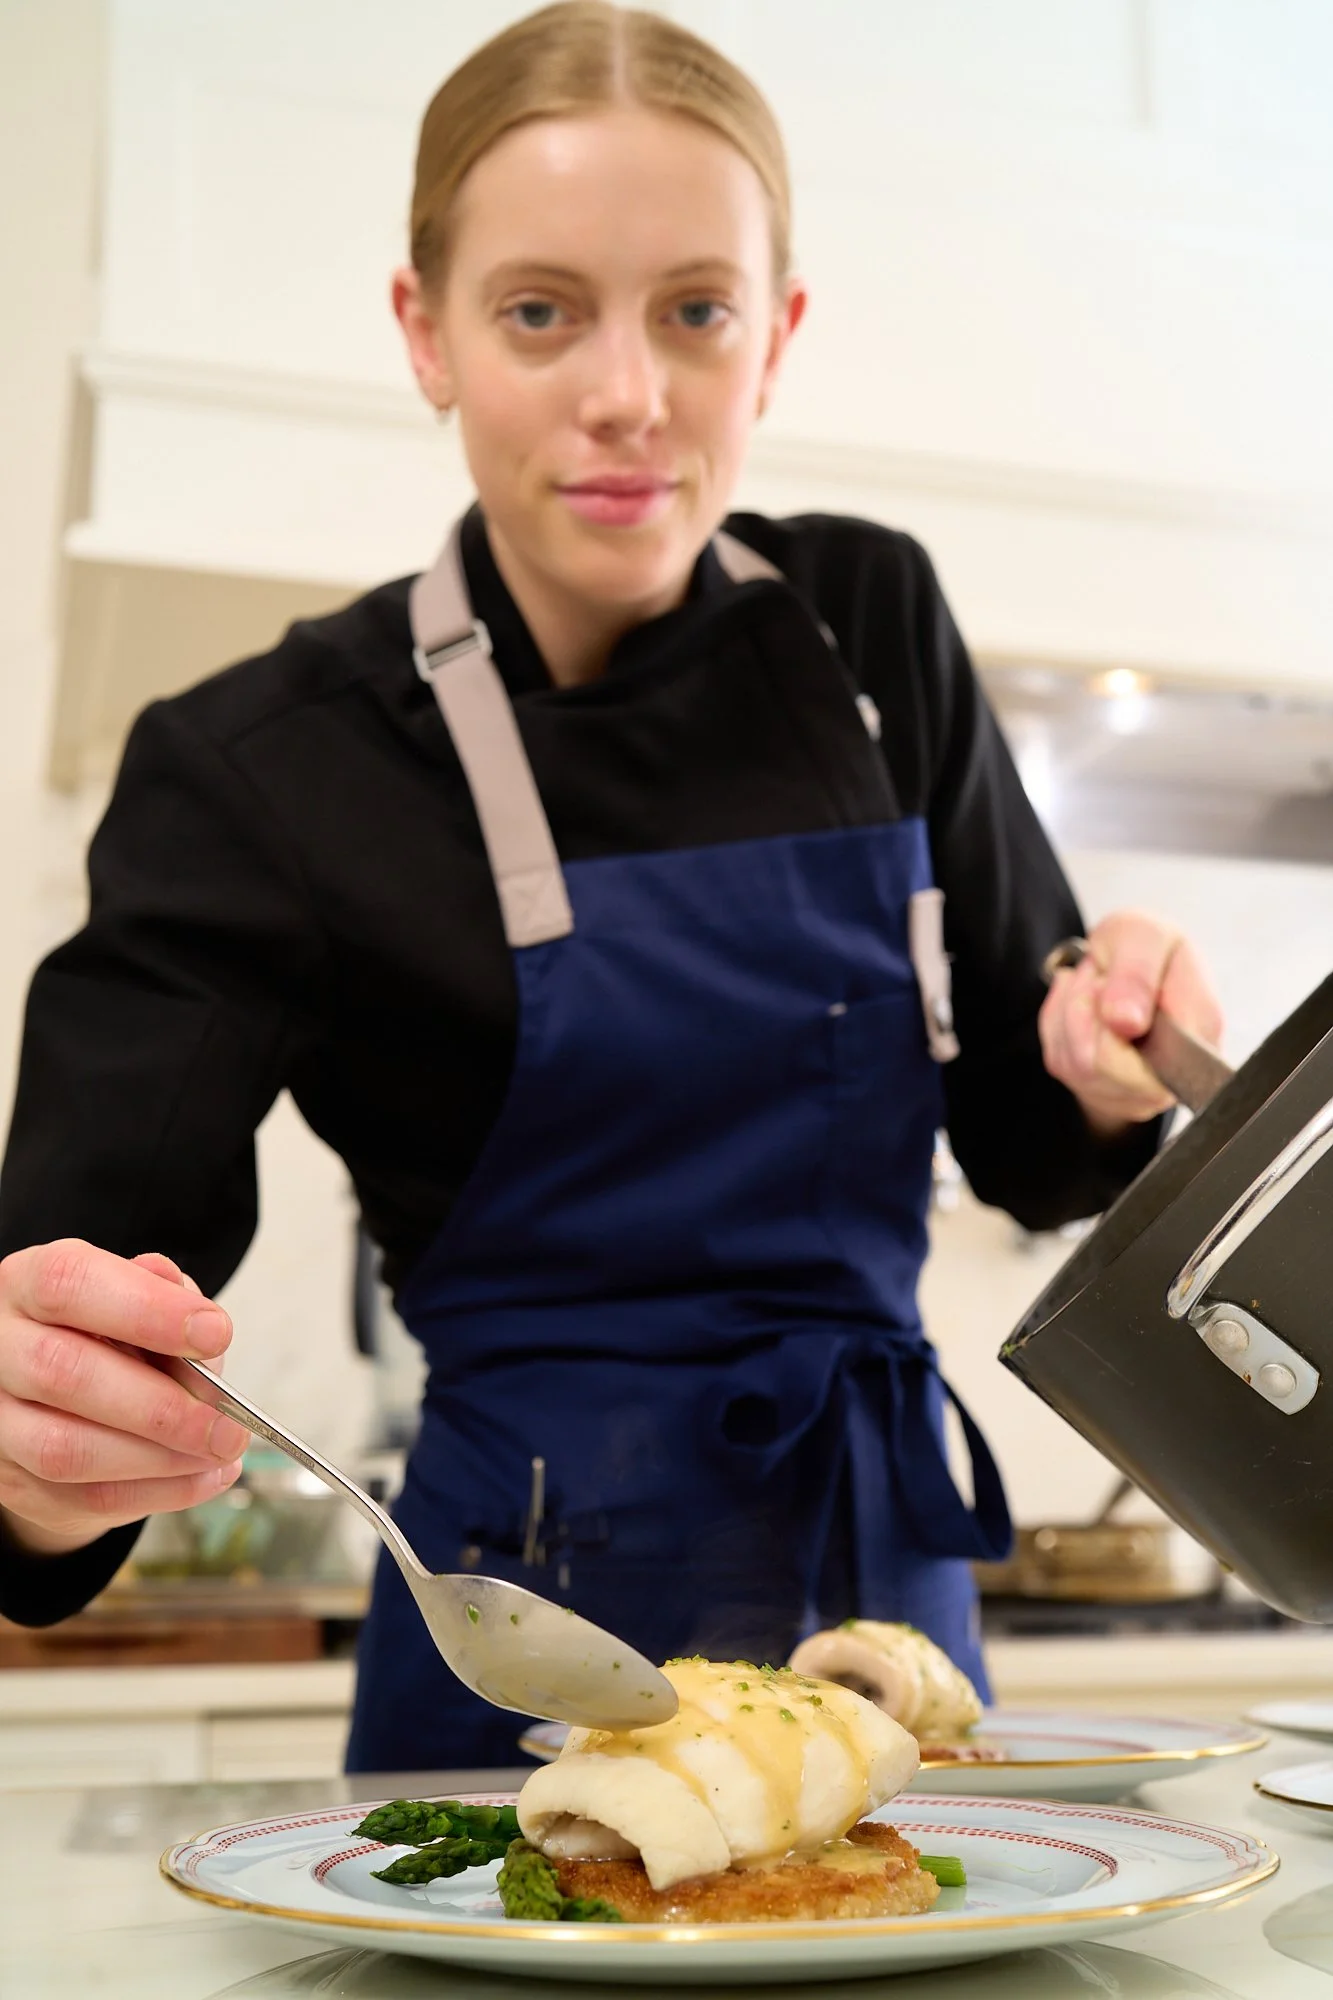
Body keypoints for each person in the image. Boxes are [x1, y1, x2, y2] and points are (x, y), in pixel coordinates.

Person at [0, 2, 1221, 1771]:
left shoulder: (870, 628)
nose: (628, 394)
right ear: (425, 332)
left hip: (886, 1649)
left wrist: (1106, 1059)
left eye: (697, 312)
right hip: (522, 1667)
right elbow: (73, 1311)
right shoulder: (259, 771)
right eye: (539, 310)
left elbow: (1035, 1148)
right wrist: (41, 1451)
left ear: (777, 336)